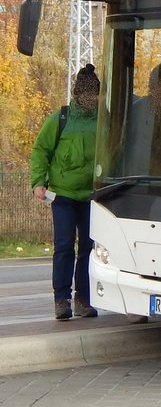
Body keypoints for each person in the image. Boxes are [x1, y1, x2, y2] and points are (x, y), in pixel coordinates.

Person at [30, 64, 101, 321]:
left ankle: (83, 299)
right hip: (62, 196)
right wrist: (38, 182)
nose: (91, 99)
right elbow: (40, 151)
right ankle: (62, 299)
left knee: (88, 248)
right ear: (78, 93)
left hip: (92, 197)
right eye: (87, 94)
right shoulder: (60, 119)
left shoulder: (104, 121)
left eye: (95, 94)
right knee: (63, 246)